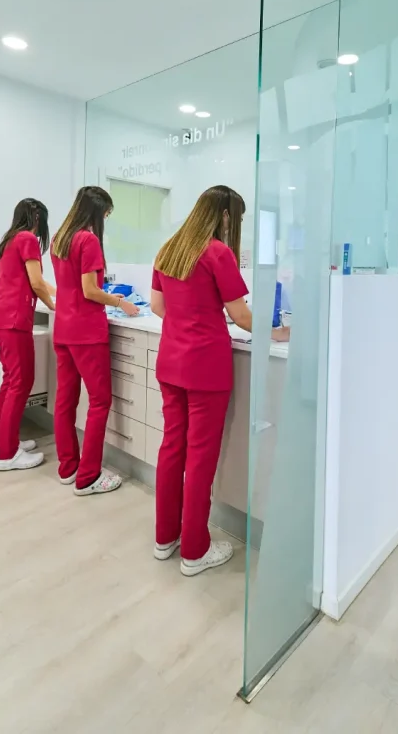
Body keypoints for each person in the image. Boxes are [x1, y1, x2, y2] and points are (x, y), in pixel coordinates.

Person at [150, 185, 288, 576]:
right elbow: (242, 316)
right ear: (226, 216)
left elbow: (159, 306)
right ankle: (195, 550)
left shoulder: (169, 249)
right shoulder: (216, 252)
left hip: (171, 362)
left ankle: (166, 539)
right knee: (200, 457)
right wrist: (275, 332)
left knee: (172, 448)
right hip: (205, 366)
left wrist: (186, 322)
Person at [51, 186, 139, 496]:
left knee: (65, 401)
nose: (106, 220)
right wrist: (120, 303)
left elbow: (72, 286)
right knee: (100, 402)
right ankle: (88, 477)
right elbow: (89, 290)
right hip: (86, 332)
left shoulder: (60, 239)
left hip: (62, 329)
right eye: (106, 214)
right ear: (97, 212)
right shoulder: (87, 240)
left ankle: (68, 467)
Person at [0, 198, 55, 471]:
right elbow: (37, 283)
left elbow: (37, 280)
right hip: (14, 320)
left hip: (1, 317)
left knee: (10, 382)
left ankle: (2, 443)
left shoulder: (10, 240)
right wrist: (52, 305)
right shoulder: (27, 239)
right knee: (20, 383)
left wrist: (63, 294)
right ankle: (8, 455)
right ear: (37, 218)